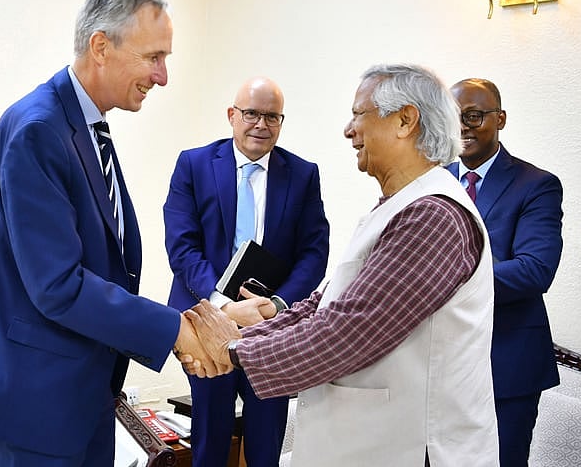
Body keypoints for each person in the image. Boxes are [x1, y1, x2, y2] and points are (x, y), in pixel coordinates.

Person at [0, 0, 219, 467]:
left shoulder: (86, 124)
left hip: (85, 391)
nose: (162, 76)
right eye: (154, 57)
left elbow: (105, 262)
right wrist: (174, 331)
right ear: (101, 47)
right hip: (39, 400)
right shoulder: (38, 130)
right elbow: (58, 285)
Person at [180, 64, 501, 466]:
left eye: (359, 115)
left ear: (405, 121)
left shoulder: (433, 216)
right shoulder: (401, 206)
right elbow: (326, 303)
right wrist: (255, 324)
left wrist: (233, 350)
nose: (349, 130)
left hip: (413, 449)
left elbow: (350, 329)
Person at [163, 76, 330, 467]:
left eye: (272, 116)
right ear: (232, 115)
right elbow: (183, 247)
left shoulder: (303, 174)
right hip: (205, 325)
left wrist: (277, 304)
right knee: (210, 437)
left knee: (265, 442)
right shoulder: (194, 164)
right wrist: (223, 308)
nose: (261, 124)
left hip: (271, 328)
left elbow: (313, 252)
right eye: (252, 113)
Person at [447, 78, 563, 467]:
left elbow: (535, 270)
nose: (462, 126)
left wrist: (446, 282)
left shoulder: (537, 185)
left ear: (501, 119)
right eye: (453, 117)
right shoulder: (430, 180)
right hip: (438, 366)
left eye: (474, 116)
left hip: (506, 365)